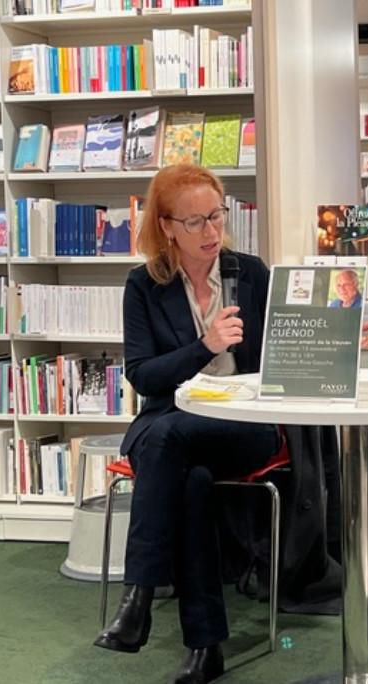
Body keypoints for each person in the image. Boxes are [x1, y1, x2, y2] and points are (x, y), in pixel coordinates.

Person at [93, 165, 296, 684]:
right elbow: (143, 376)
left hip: (243, 425)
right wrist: (203, 348)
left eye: (216, 217)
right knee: (192, 481)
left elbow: (285, 353)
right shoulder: (143, 286)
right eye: (196, 222)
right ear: (166, 227)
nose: (211, 233)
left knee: (165, 441)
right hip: (173, 423)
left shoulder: (250, 274)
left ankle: (139, 592)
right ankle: (205, 646)